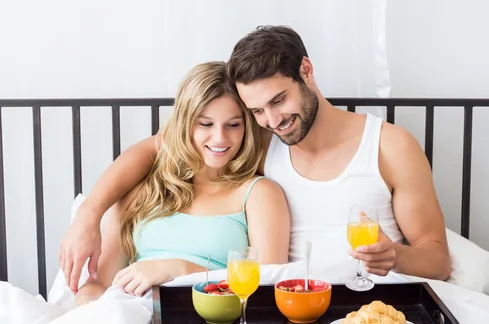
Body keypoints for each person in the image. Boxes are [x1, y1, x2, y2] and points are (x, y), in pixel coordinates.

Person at [60, 26, 450, 294]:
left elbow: (438, 260)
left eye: (279, 100)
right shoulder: (261, 139)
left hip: (373, 303)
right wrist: (88, 215)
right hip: (288, 306)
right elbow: (156, 147)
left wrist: (394, 255)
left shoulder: (389, 145)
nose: (273, 119)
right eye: (257, 110)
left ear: (306, 70)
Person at [70, 61, 290, 303]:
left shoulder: (258, 194)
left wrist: (180, 270)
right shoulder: (144, 189)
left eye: (233, 125)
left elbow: (269, 288)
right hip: (125, 312)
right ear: (184, 125)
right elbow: (99, 285)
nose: (220, 137)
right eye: (205, 124)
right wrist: (81, 315)